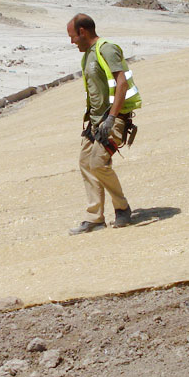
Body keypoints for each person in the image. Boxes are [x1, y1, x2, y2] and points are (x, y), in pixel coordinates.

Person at [66, 13, 142, 234]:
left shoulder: (107, 49)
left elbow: (122, 83)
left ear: (83, 32)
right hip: (96, 123)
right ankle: (95, 218)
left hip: (114, 120)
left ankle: (122, 208)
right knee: (85, 162)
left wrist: (111, 118)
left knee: (98, 163)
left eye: (73, 36)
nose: (72, 41)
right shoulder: (88, 55)